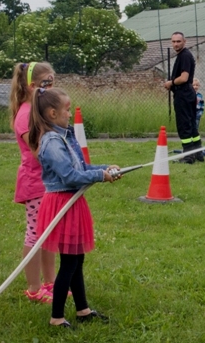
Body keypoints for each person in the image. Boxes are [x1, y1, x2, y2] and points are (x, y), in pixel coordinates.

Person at [28, 88, 119, 327]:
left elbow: (81, 168)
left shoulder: (65, 136)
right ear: (52, 113)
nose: (70, 114)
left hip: (72, 202)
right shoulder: (52, 141)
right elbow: (69, 176)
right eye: (67, 110)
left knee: (77, 260)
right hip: (61, 204)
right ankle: (57, 317)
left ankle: (83, 310)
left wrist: (104, 169)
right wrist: (99, 176)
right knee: (69, 263)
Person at [9, 61, 58, 303]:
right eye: (46, 83)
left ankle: (50, 283)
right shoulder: (25, 116)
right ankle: (34, 288)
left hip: (49, 181)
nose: (50, 88)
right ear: (31, 86)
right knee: (35, 235)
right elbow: (40, 152)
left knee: (49, 233)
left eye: (52, 83)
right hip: (35, 183)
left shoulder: (39, 111)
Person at [163, 32, 204, 164]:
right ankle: (198, 152)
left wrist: (171, 83)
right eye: (173, 41)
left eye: (178, 41)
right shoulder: (183, 55)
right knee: (191, 124)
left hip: (183, 94)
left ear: (184, 42)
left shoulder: (185, 56)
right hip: (188, 93)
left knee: (184, 125)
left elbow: (184, 78)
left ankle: (188, 156)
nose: (176, 44)